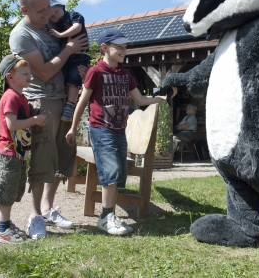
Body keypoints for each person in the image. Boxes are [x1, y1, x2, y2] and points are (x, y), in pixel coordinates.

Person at [65, 28, 176, 235]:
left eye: (125, 47)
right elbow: (82, 101)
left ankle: (109, 216)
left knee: (117, 175)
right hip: (101, 129)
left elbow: (141, 100)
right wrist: (72, 127)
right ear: (104, 48)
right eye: (119, 47)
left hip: (119, 130)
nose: (124, 50)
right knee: (111, 173)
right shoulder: (96, 72)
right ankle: (106, 217)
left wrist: (162, 98)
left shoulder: (125, 75)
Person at [9, 0, 89, 240]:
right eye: (41, 10)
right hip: (41, 101)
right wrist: (69, 49)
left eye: (49, 8)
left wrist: (81, 69)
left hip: (64, 99)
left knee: (61, 156)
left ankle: (47, 208)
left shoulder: (52, 25)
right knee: (43, 158)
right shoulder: (22, 35)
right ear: (25, 9)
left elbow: (75, 49)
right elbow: (43, 71)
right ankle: (34, 216)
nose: (47, 14)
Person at [0, 54, 47, 244]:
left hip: (17, 154)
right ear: (10, 77)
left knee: (13, 190)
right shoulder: (10, 97)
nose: (29, 77)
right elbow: (11, 124)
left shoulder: (20, 97)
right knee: (6, 190)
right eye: (25, 74)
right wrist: (33, 120)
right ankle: (2, 230)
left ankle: (6, 224)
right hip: (6, 153)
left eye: (29, 73)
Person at [47, 0, 90, 122]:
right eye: (52, 16)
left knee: (75, 77)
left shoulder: (73, 15)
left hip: (80, 56)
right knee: (65, 77)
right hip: (67, 56)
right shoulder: (55, 25)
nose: (55, 16)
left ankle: (70, 106)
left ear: (62, 7)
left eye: (56, 11)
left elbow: (77, 27)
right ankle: (67, 105)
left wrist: (61, 35)